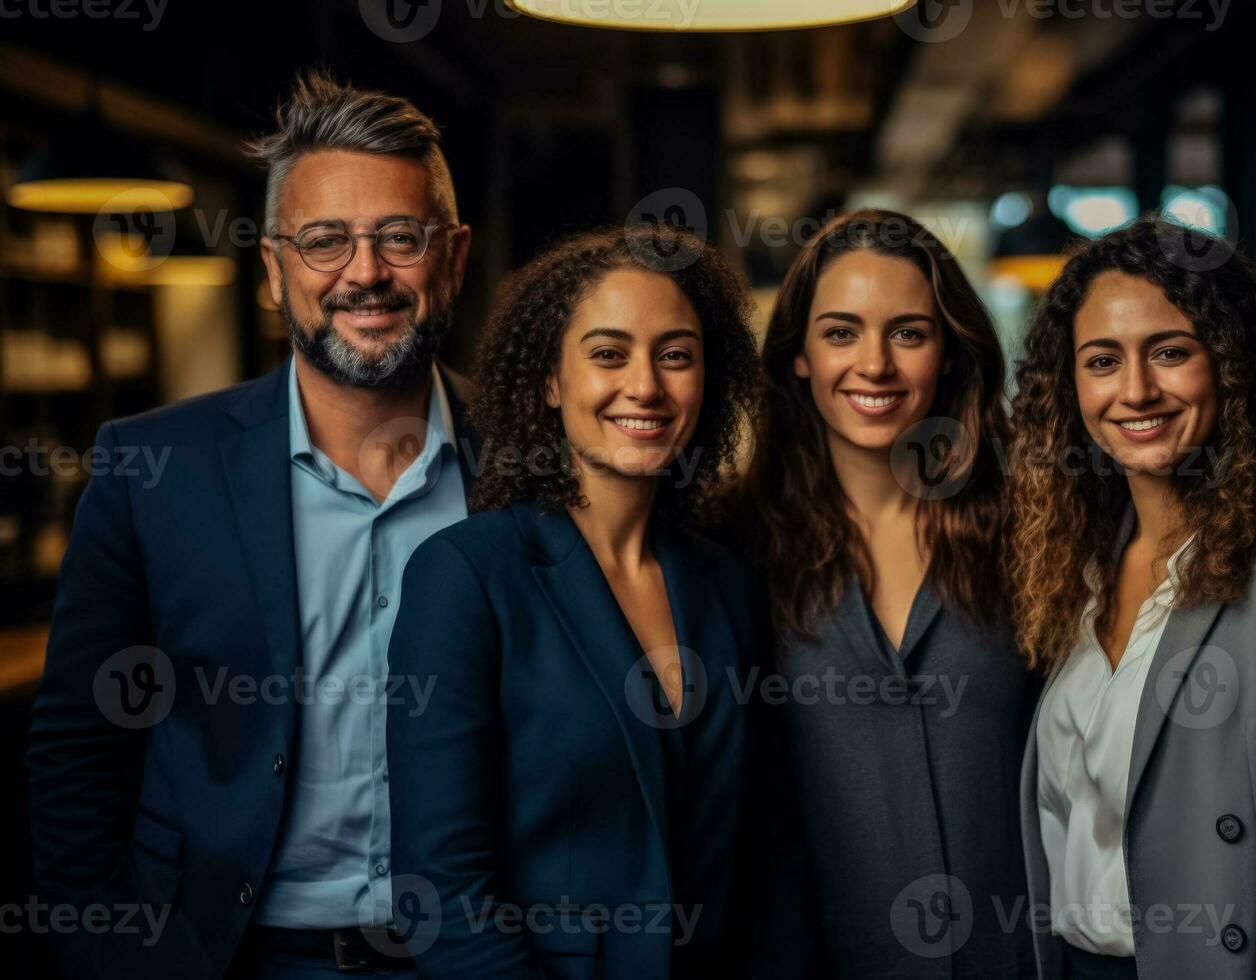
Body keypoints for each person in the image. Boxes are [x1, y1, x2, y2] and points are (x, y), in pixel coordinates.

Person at [26, 71, 476, 979]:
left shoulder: (536, 467)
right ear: (272, 270)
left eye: (401, 236)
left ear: (454, 258)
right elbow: (78, 747)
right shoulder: (150, 471)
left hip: (479, 959)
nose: (365, 273)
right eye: (324, 242)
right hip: (233, 959)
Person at [385, 224, 799, 979]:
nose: (645, 385)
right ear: (549, 381)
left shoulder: (728, 582)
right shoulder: (467, 576)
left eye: (676, 356)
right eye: (608, 354)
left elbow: (767, 857)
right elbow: (442, 891)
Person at [1007, 217, 1256, 980]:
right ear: (1071, 386)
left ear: (1230, 363)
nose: (1135, 390)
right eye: (1102, 360)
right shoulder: (1077, 566)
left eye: (1169, 351)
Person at [733, 209, 1037, 977]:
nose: (875, 364)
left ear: (949, 353)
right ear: (798, 356)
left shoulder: (1031, 531)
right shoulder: (735, 549)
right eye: (840, 333)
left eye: (908, 332)